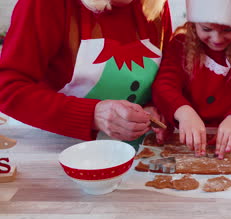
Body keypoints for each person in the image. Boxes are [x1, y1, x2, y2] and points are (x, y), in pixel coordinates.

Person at [0, 0, 172, 142]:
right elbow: (6, 88)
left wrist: (154, 105)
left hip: (132, 148)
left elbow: (165, 73)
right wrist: (92, 115)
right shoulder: (44, 4)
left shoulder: (155, 5)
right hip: (57, 145)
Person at [153, 0, 231, 158]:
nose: (217, 39)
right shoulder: (179, 45)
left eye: (227, 29)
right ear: (193, 23)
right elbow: (164, 85)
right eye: (206, 29)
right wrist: (184, 113)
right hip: (185, 134)